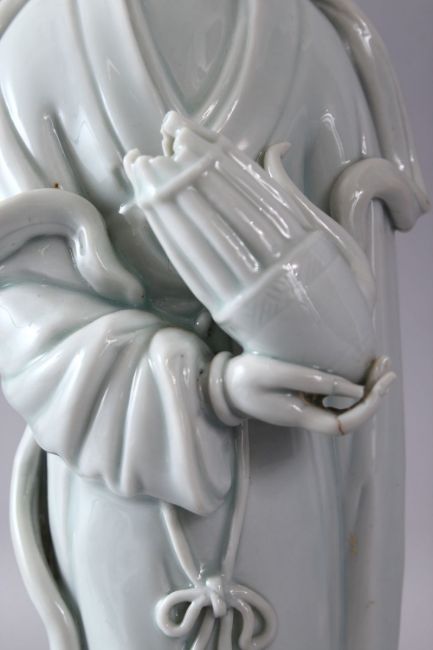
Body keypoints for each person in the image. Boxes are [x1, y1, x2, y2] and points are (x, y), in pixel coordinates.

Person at [0, 1, 427, 648]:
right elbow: (24, 312)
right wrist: (211, 388)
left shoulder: (308, 42)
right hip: (124, 463)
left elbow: (361, 346)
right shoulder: (39, 42)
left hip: (291, 463)